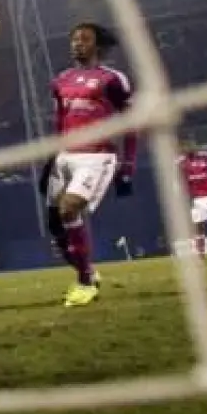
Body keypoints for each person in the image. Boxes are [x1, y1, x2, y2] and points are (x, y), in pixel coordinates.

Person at [43, 22, 137, 308]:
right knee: (55, 226)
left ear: (98, 46)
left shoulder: (112, 79)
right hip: (65, 156)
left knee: (69, 208)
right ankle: (88, 272)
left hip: (97, 156)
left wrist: (128, 165)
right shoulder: (61, 80)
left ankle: (85, 283)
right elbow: (61, 122)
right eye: (74, 39)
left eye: (84, 39)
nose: (77, 44)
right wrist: (53, 157)